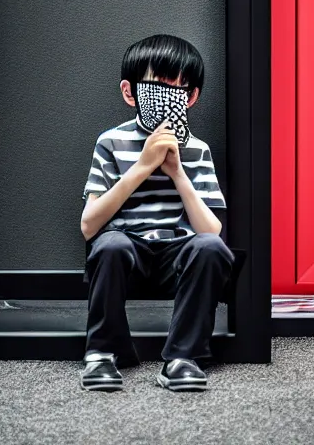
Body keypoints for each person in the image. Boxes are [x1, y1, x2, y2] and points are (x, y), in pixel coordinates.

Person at [79, 34, 234, 392]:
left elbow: (211, 230)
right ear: (131, 92)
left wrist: (177, 173)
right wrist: (141, 167)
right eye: (160, 84)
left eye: (181, 87)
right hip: (125, 254)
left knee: (210, 248)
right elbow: (89, 226)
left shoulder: (197, 150)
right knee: (110, 244)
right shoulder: (110, 143)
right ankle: (102, 353)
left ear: (191, 96)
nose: (171, 94)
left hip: (176, 258)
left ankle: (182, 358)